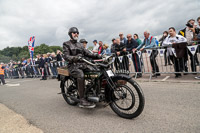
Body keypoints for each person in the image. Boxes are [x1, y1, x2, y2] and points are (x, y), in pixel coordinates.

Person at [63, 27, 101, 108]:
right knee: (81, 75)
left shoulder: (80, 44)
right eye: (74, 33)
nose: (76, 34)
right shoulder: (66, 44)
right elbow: (66, 56)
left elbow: (87, 53)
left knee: (97, 72)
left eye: (77, 33)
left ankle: (96, 92)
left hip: (83, 64)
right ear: (70, 34)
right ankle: (82, 99)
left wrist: (98, 55)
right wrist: (75, 58)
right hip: (73, 66)